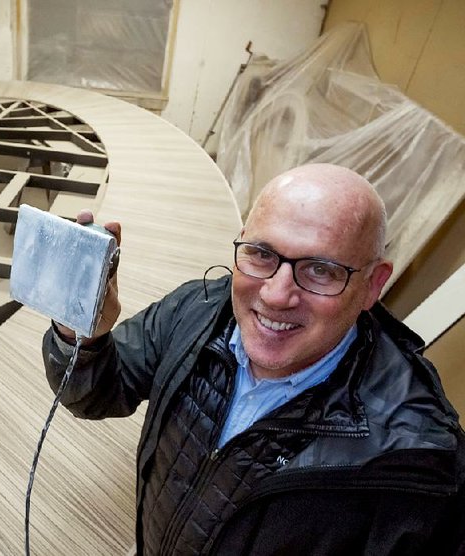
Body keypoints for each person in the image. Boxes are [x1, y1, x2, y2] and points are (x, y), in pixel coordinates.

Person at [42, 163, 465, 555]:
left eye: (320, 269)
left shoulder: (420, 463)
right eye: (262, 254)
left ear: (373, 285)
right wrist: (83, 332)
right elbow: (98, 394)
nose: (277, 295)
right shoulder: (198, 309)